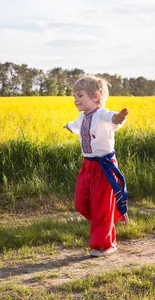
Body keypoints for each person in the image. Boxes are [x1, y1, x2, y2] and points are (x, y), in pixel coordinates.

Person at [64, 75, 129, 257]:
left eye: (80, 95)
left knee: (101, 207)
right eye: (74, 97)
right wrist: (67, 126)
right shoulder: (82, 116)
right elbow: (76, 125)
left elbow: (113, 119)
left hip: (104, 166)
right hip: (88, 165)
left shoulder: (102, 114)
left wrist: (118, 117)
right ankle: (106, 222)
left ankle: (103, 245)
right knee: (81, 203)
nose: (76, 100)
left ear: (95, 96)